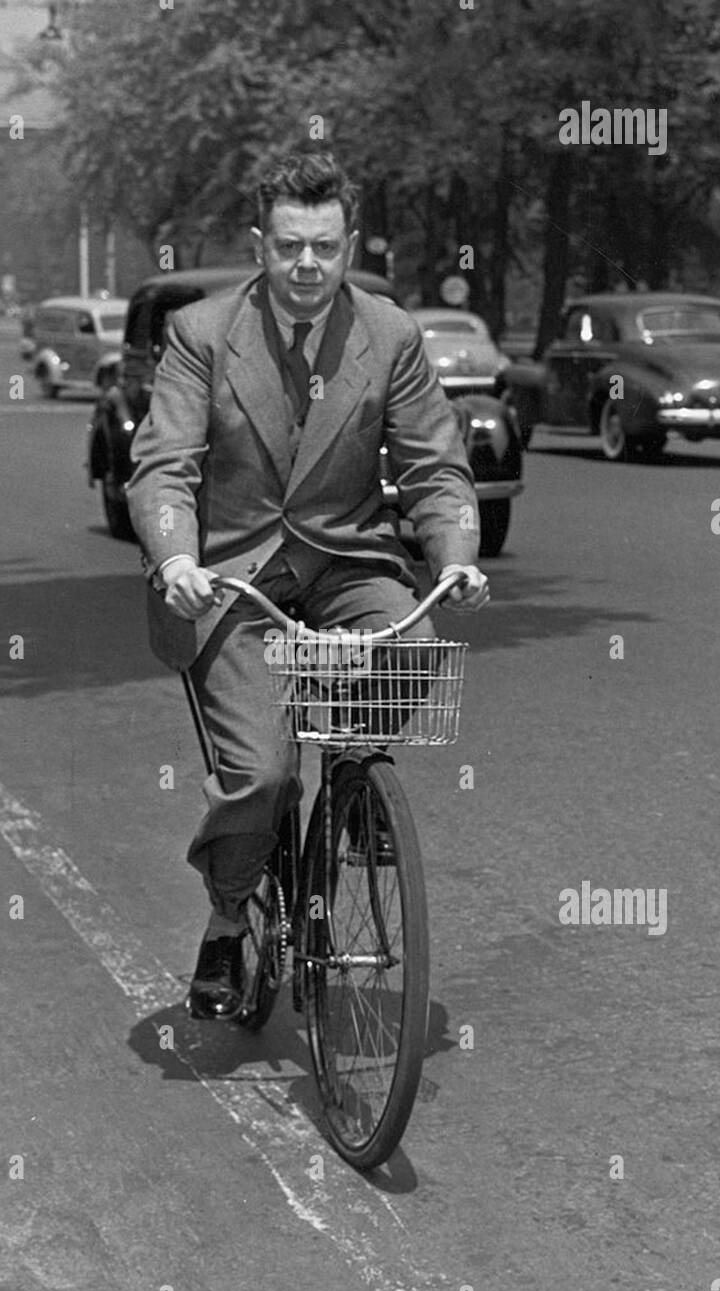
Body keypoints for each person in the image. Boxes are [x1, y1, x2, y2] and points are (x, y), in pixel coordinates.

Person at [126, 152, 489, 1020]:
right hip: (232, 577)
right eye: (289, 245)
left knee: (416, 643)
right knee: (261, 776)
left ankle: (358, 788)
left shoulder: (391, 334)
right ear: (261, 243)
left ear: (348, 244)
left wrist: (456, 557)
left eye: (325, 247)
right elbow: (163, 466)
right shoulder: (202, 334)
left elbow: (436, 468)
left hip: (346, 560)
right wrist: (177, 558)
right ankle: (225, 920)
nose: (306, 266)